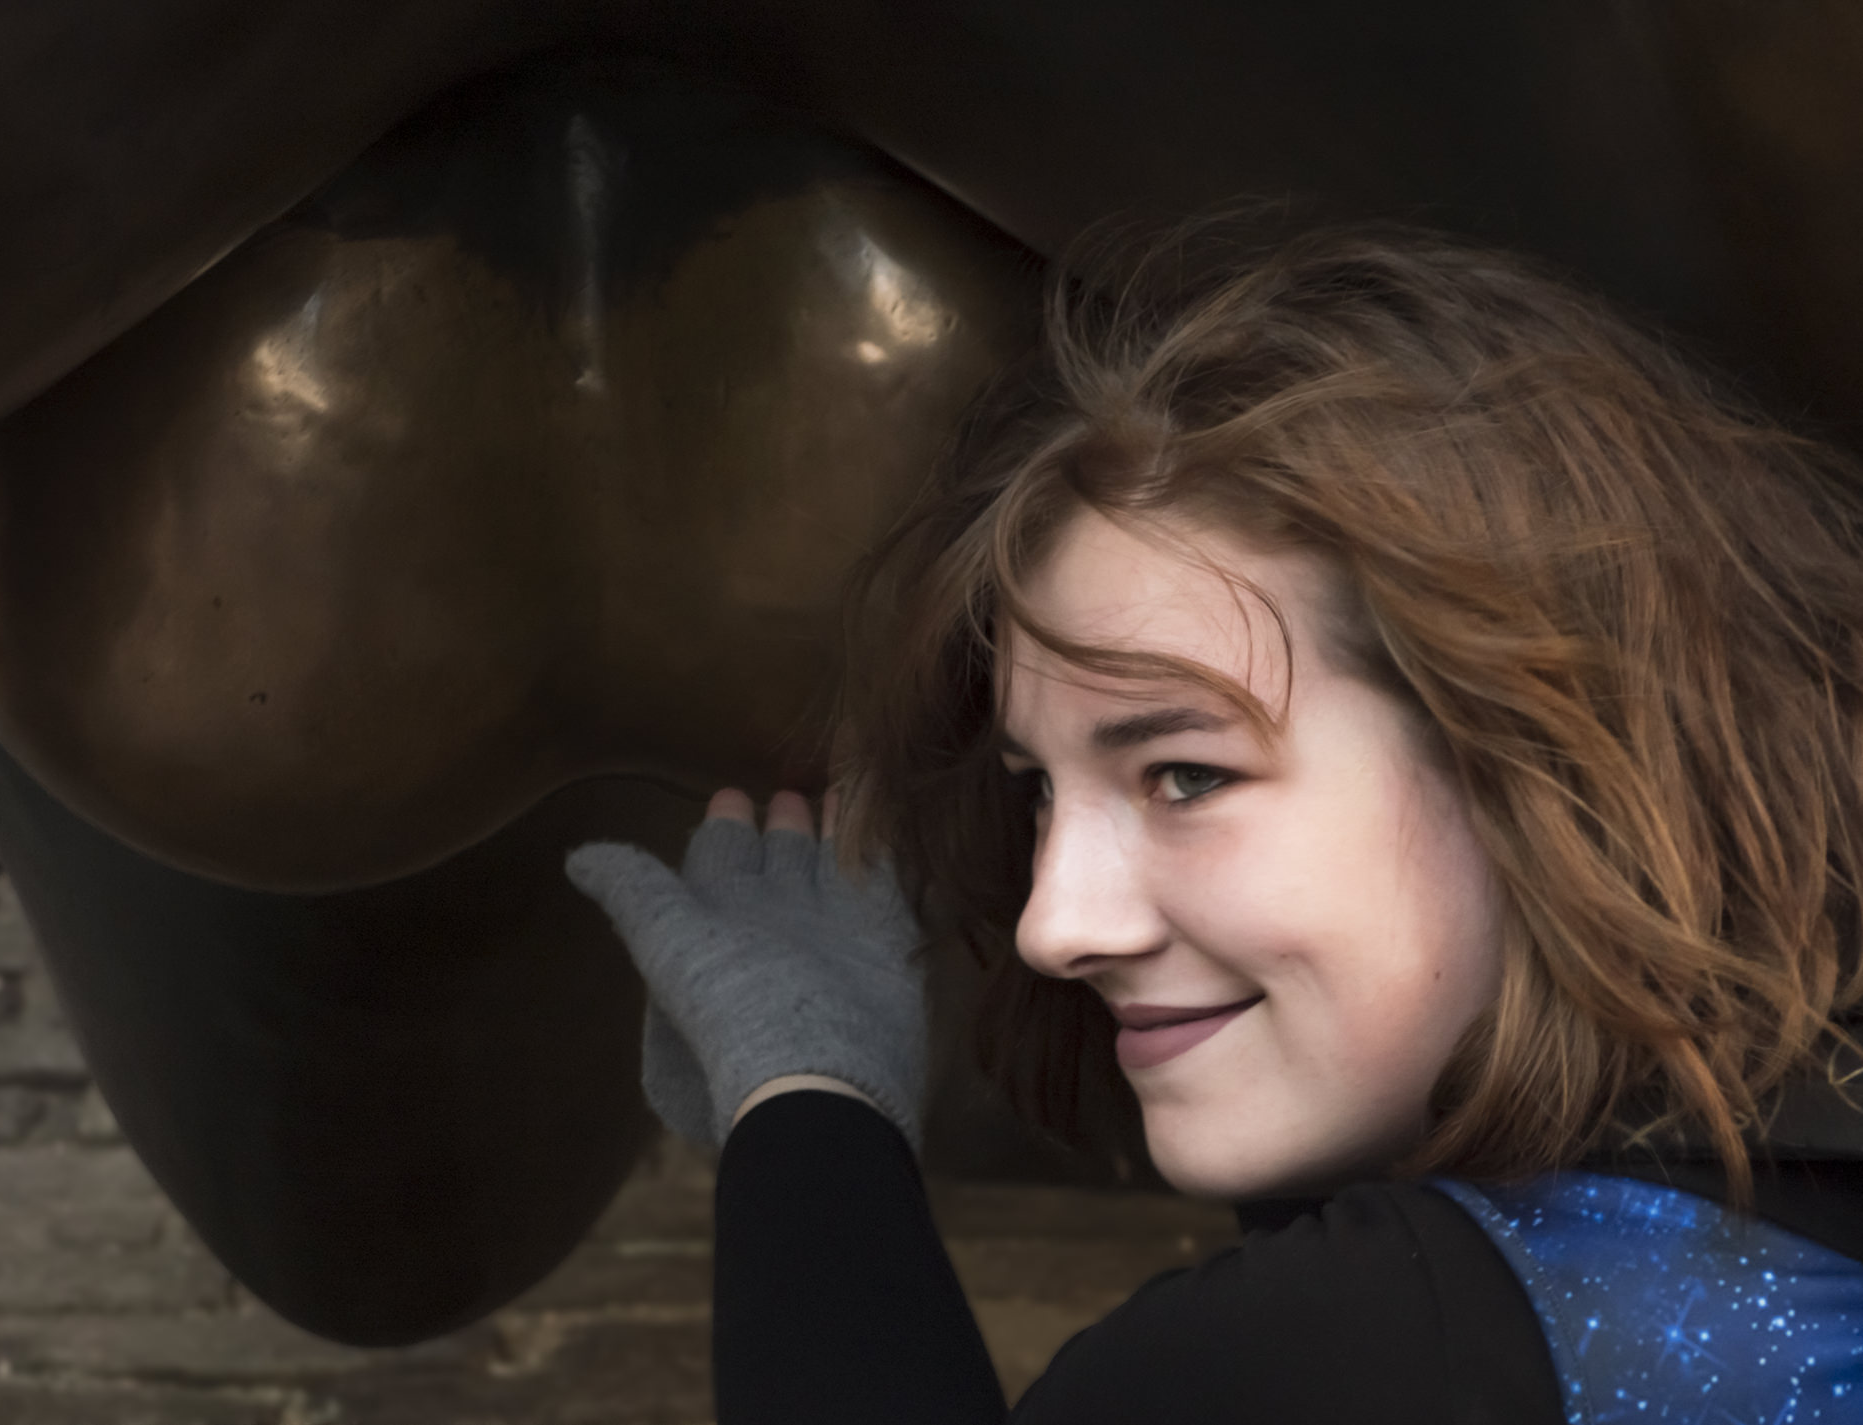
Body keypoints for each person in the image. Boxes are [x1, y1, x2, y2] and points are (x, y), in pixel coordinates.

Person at [565, 221, 1863, 1423]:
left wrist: (805, 1114)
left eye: (1185, 775)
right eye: (1038, 789)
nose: (1053, 925)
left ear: (1548, 762)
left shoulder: (1364, 1348)